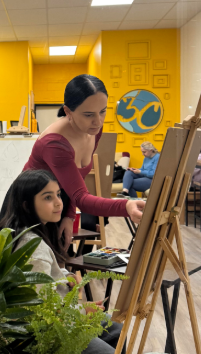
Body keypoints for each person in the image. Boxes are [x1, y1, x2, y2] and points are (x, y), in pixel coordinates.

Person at [0, 169, 123, 354]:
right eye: (48, 197)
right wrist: (81, 311)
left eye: (58, 194)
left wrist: (63, 276)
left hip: (58, 317)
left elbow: (43, 279)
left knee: (118, 333)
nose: (58, 202)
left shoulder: (28, 233)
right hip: (49, 331)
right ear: (27, 205)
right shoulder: (34, 249)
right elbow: (41, 312)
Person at [24, 75, 145, 249]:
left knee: (63, 260)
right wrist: (126, 205)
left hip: (56, 203)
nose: (98, 121)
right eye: (88, 114)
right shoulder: (55, 144)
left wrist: (69, 215)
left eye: (102, 111)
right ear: (68, 111)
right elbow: (81, 197)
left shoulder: (93, 129)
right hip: (32, 211)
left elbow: (76, 181)